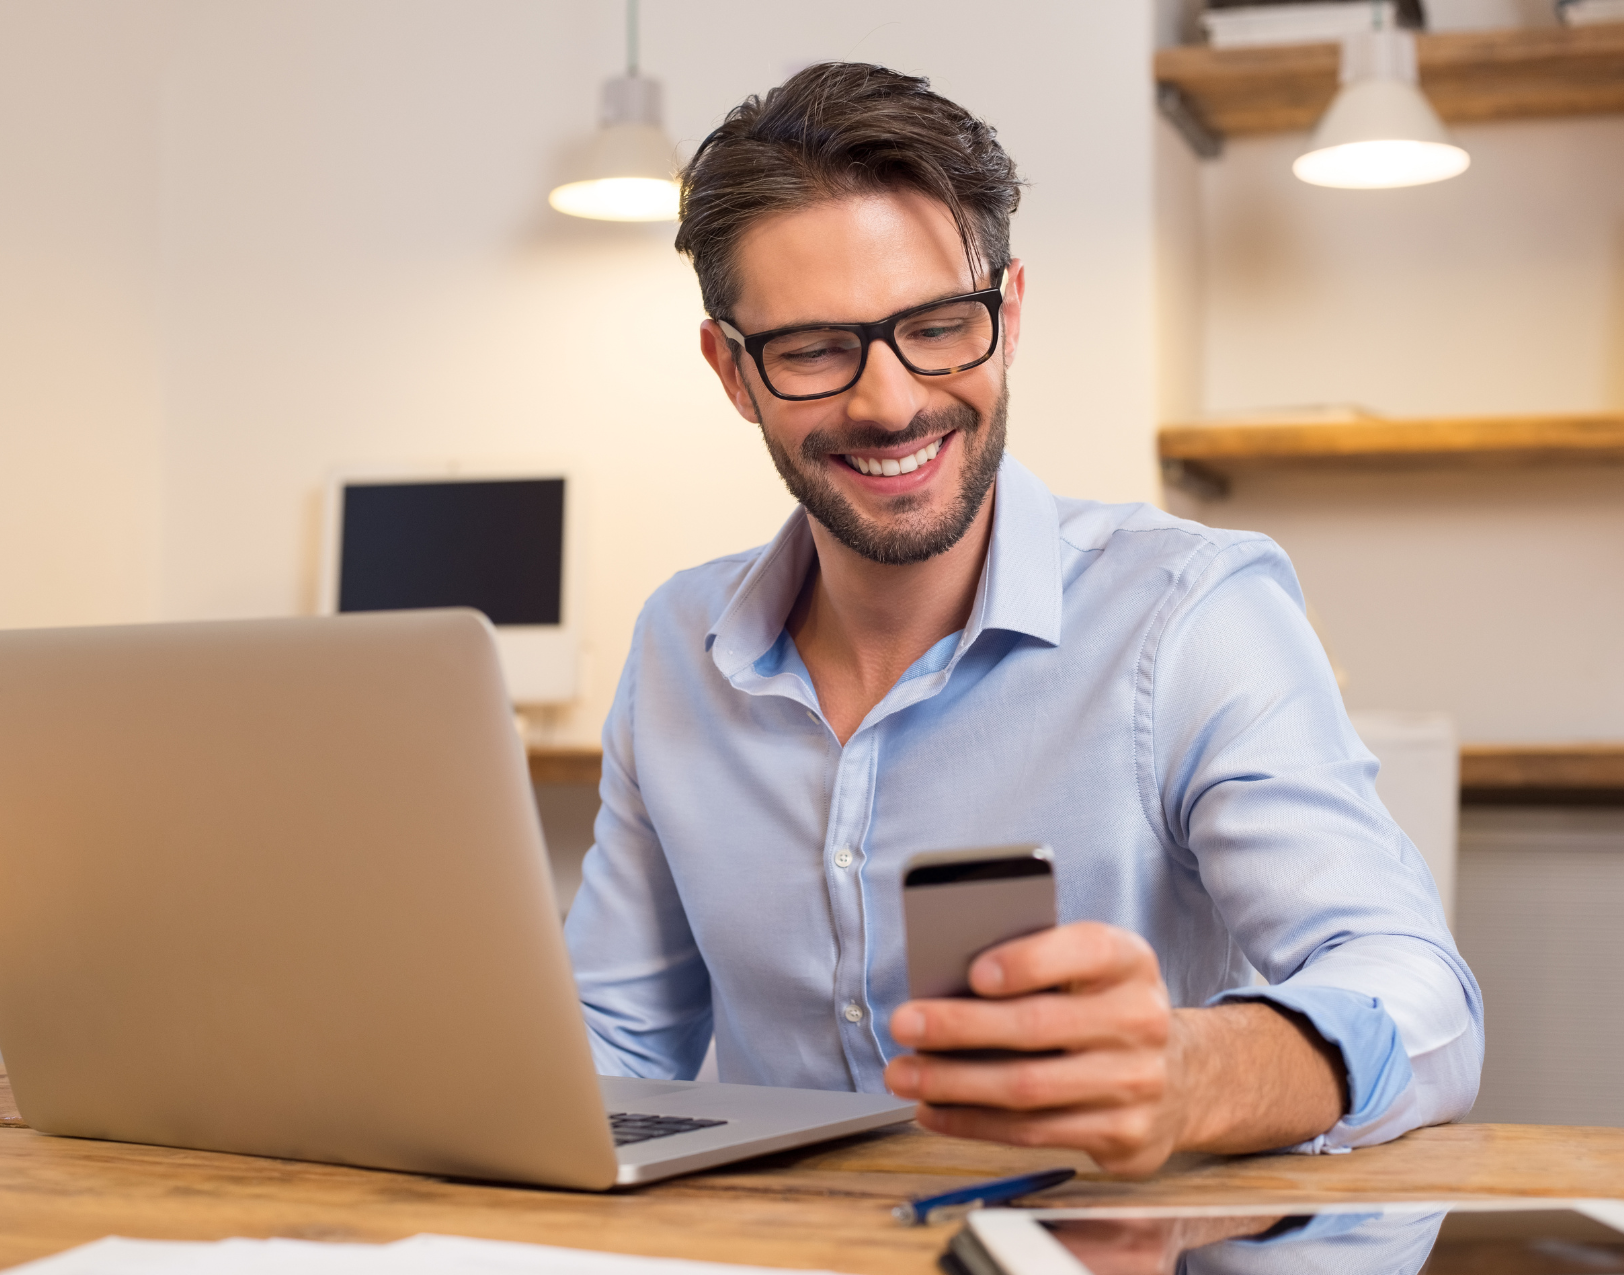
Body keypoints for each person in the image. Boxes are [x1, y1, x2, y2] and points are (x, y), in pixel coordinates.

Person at [563, 62, 1482, 1176]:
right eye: (813, 349)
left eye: (941, 326)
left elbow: (1418, 996)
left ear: (1010, 313)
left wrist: (1198, 1072)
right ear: (732, 372)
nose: (891, 401)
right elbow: (613, 1055)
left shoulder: (1190, 616)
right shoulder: (678, 648)